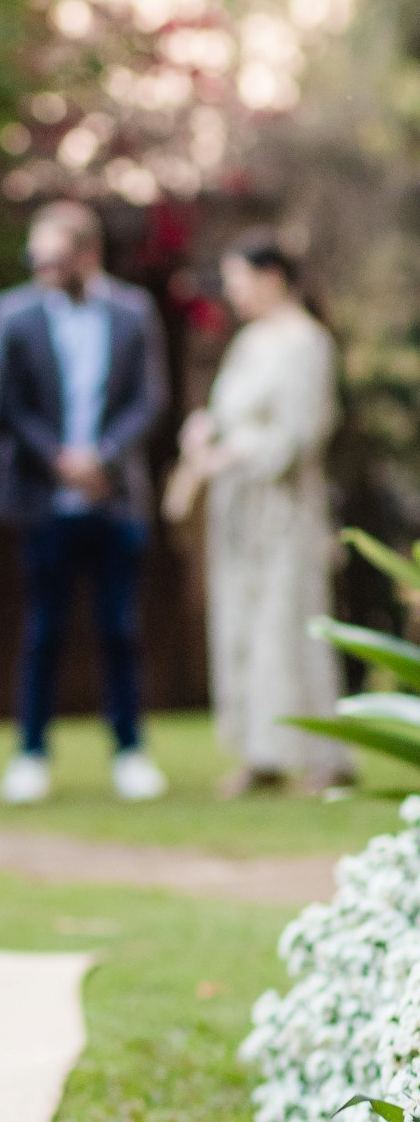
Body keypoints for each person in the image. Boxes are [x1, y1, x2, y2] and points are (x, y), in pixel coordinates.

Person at [0, 199, 169, 803]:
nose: (43, 268)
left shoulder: (133, 311)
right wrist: (59, 460)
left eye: (55, 258)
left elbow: (149, 399)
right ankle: (31, 754)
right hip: (45, 501)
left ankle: (129, 752)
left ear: (87, 255)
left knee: (121, 630)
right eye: (35, 257)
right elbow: (9, 406)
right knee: (43, 632)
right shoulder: (13, 317)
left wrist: (104, 459)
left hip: (116, 501)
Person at [171, 239, 343, 794]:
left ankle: (324, 755)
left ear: (271, 277)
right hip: (237, 507)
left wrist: (238, 452)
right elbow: (229, 413)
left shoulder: (307, 341)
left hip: (285, 506)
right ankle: (261, 753)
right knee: (240, 624)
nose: (231, 291)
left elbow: (299, 434)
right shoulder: (248, 341)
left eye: (237, 278)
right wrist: (205, 434)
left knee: (288, 625)